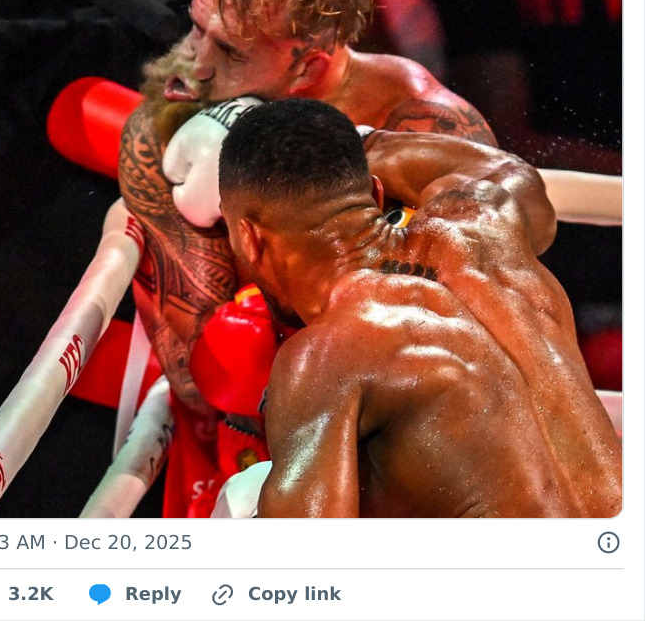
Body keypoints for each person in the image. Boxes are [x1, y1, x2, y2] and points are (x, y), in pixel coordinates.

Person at [117, 0, 495, 514]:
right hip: (247, 441)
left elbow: (481, 328)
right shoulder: (172, 117)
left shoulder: (428, 125)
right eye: (198, 29)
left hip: (409, 441)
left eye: (230, 50)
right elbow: (200, 370)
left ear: (311, 65)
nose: (197, 63)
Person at [216, 98, 622, 517]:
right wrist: (365, 142)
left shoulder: (325, 356)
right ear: (376, 193)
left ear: (249, 238)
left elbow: (301, 569)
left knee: (242, 500)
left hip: (532, 580)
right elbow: (513, 173)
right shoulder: (487, 231)